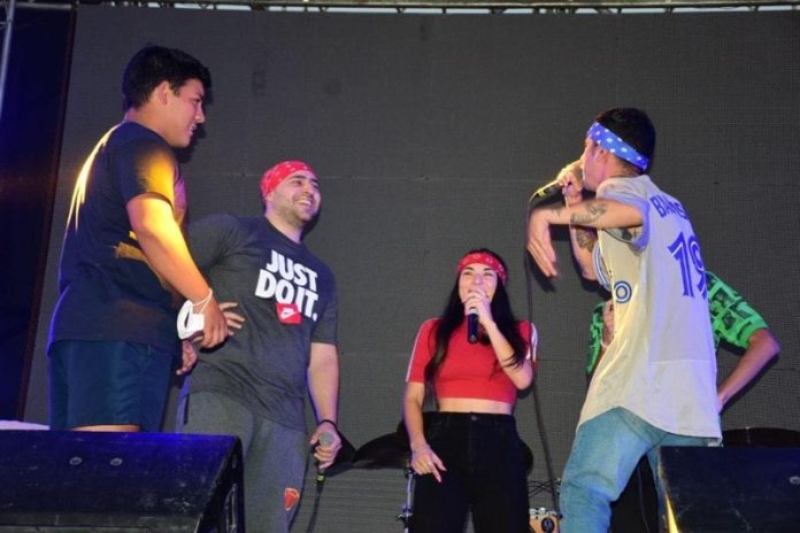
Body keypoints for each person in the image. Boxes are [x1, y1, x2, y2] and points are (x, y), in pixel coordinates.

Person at [527, 107, 722, 533]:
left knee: (584, 489)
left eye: (586, 147)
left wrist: (548, 215)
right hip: (690, 397)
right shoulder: (670, 205)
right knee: (689, 515)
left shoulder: (625, 191)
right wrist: (574, 203)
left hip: (640, 383)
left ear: (600, 150)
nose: (581, 157)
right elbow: (593, 269)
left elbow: (629, 212)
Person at [47, 45, 229, 433]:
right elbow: (152, 227)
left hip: (90, 329)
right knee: (110, 464)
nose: (200, 116)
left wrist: (170, 331)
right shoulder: (144, 144)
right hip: (119, 331)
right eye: (195, 101)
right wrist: (204, 299)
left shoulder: (115, 144)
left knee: (79, 465)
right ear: (164, 92)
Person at [176, 160, 342, 533]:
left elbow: (323, 355)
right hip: (221, 393)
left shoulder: (323, 276)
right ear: (269, 191)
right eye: (297, 181)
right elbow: (166, 263)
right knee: (200, 515)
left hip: (285, 418)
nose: (310, 189)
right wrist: (186, 323)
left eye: (315, 185)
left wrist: (328, 420)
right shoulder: (232, 231)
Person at [586, 271, 780, 532]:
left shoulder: (700, 284)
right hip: (628, 445)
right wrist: (607, 341)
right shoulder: (610, 306)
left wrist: (719, 398)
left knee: (692, 521)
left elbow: (765, 343)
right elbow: (597, 391)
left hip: (684, 433)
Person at [403, 249, 536, 533]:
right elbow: (413, 397)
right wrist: (418, 445)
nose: (476, 281)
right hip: (446, 437)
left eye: (487, 275)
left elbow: (523, 379)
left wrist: (489, 324)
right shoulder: (433, 330)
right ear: (458, 283)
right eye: (468, 273)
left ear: (500, 286)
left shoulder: (522, 330)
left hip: (499, 440)